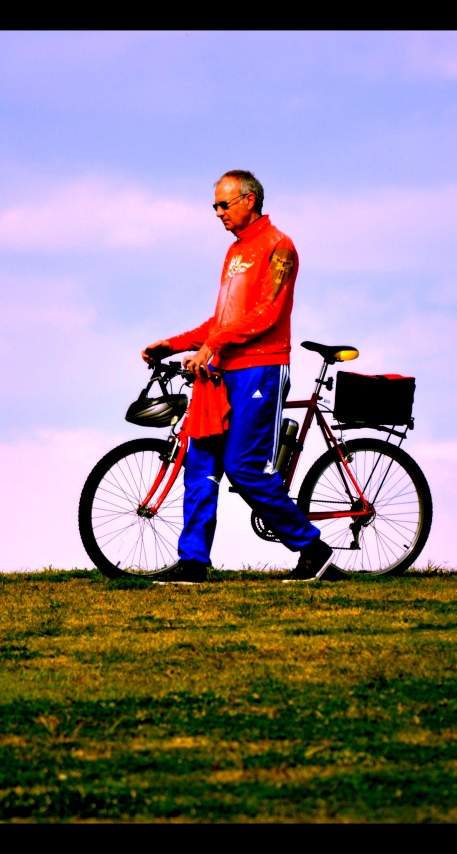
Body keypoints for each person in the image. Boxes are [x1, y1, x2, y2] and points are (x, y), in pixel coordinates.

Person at [142, 170, 339, 583]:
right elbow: (222, 320)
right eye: (214, 205)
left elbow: (268, 313)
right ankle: (193, 562)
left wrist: (214, 344)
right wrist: (173, 344)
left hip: (261, 368)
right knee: (199, 464)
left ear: (249, 200)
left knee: (243, 466)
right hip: (219, 370)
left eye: (223, 204)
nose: (217, 213)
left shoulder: (279, 246)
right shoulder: (234, 253)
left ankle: (313, 549)